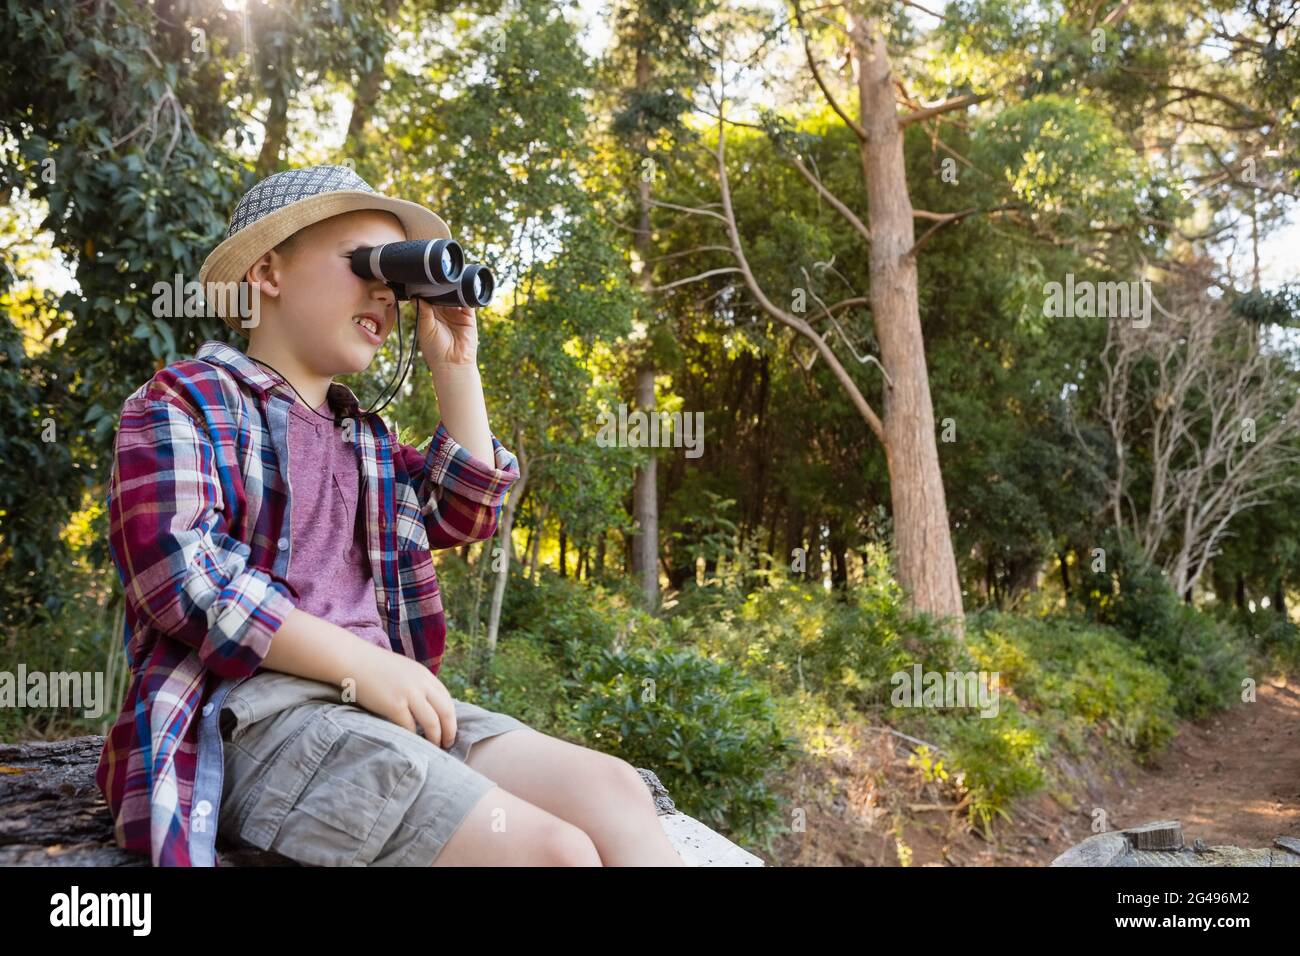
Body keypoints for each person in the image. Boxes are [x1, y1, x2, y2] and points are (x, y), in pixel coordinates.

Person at [95, 164, 684, 867]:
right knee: (552, 853)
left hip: (383, 710)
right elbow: (182, 576)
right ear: (267, 273)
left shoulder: (364, 441)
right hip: (255, 721)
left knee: (615, 792)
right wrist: (359, 664)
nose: (384, 290)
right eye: (364, 264)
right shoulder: (184, 403)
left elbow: (465, 509)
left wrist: (454, 364)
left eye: (395, 278)